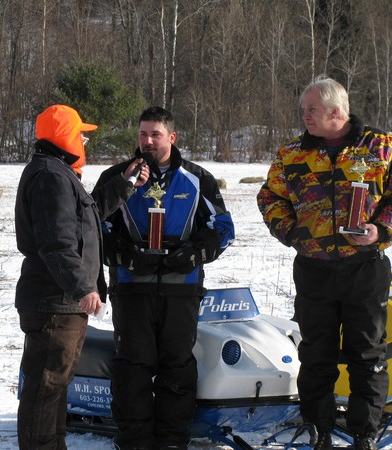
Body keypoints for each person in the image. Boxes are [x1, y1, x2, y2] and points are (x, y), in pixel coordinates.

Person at [257, 76, 392, 450]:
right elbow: (270, 198)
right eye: (303, 110)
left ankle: (364, 433)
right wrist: (292, 234)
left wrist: (380, 230)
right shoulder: (293, 153)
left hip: (364, 267)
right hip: (314, 269)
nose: (305, 116)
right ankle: (319, 428)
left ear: (336, 111)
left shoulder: (381, 146)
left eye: (311, 110)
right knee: (316, 354)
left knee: (367, 354)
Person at [94, 106, 235, 450]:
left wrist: (193, 254)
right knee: (133, 367)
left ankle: (172, 440)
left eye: (155, 135)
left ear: (172, 137)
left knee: (177, 367)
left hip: (181, 288)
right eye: (142, 134)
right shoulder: (116, 176)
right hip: (131, 286)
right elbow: (93, 227)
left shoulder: (197, 178)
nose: (148, 141)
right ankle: (135, 441)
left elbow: (223, 228)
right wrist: (124, 255)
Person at [15, 104, 150, 450]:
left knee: (55, 385)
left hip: (59, 301)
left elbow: (82, 221)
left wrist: (124, 185)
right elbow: (56, 242)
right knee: (46, 387)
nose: (84, 142)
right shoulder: (51, 177)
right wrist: (83, 287)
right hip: (55, 302)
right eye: (80, 135)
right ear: (65, 137)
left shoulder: (58, 174)